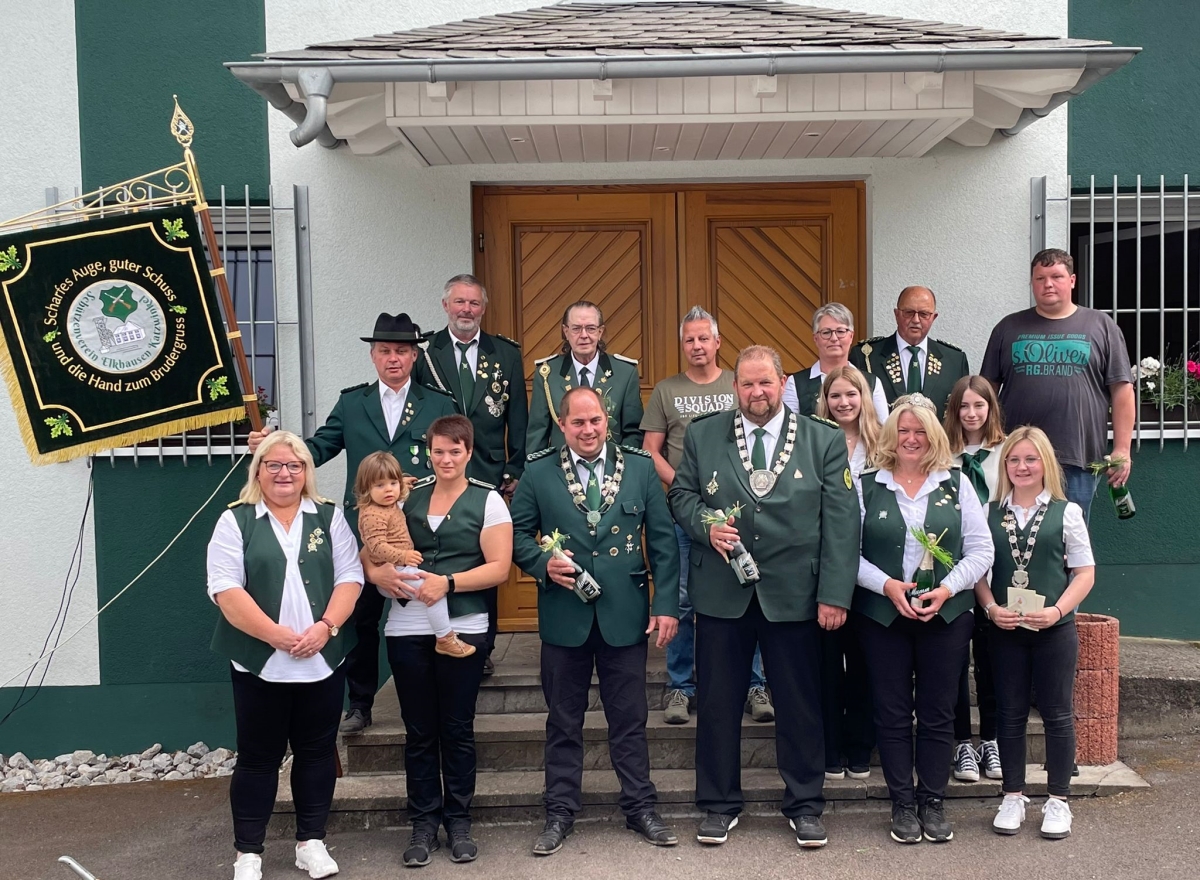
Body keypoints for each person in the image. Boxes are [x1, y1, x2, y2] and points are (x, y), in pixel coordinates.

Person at [669, 345, 860, 850]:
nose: (757, 393)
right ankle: (717, 804)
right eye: (748, 384)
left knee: (799, 705)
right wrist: (706, 526)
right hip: (720, 594)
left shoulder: (822, 440)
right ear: (736, 387)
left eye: (766, 384)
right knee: (717, 704)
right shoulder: (705, 434)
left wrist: (835, 594)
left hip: (796, 595)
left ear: (783, 385)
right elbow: (682, 495)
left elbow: (842, 523)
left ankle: (804, 805)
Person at [249, 312, 457, 736]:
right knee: (359, 620)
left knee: (427, 613)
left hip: (417, 529)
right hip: (361, 533)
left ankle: (434, 698)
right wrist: (275, 447)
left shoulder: (438, 404)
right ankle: (359, 703)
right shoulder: (352, 403)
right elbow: (318, 448)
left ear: (415, 356)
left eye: (401, 351)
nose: (393, 359)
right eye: (384, 351)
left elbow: (451, 457)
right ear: (372, 356)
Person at [511, 387, 680, 856]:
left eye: (595, 421)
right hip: (564, 618)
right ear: (562, 425)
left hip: (624, 616)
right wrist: (541, 564)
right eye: (578, 423)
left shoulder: (641, 468)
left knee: (630, 719)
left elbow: (663, 543)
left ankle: (640, 808)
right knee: (563, 721)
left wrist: (665, 605)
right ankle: (560, 812)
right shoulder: (539, 469)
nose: (588, 430)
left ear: (608, 421)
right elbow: (519, 533)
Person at [206, 431, 364, 880]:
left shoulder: (329, 517)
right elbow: (226, 589)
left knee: (316, 753)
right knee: (258, 757)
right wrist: (275, 635)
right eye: (273, 465)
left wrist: (326, 627)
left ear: (306, 472)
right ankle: (248, 853)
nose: (284, 473)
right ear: (258, 471)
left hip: (321, 656)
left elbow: (350, 577)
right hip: (260, 661)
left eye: (294, 466)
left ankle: (311, 843)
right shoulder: (236, 520)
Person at [361, 415, 513, 866]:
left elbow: (500, 568)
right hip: (407, 626)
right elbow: (371, 550)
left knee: (457, 728)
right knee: (420, 731)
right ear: (428, 451)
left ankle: (459, 820)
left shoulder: (488, 502)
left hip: (463, 624)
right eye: (438, 450)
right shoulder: (405, 496)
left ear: (469, 452)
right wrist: (376, 574)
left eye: (455, 451)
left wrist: (447, 583)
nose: (445, 459)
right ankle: (423, 822)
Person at [853, 395, 993, 845]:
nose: (911, 439)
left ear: (934, 436)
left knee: (937, 712)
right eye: (903, 431)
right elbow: (845, 554)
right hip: (882, 614)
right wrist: (887, 586)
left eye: (920, 432)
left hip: (946, 614)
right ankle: (901, 803)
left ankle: (932, 800)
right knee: (892, 712)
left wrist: (948, 588)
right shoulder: (866, 484)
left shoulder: (957, 484)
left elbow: (982, 550)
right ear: (891, 435)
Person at [641, 306, 773, 726]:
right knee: (680, 601)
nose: (696, 346)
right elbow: (650, 450)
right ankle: (680, 688)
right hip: (685, 516)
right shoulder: (666, 390)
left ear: (718, 342)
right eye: (689, 340)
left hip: (739, 516)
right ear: (682, 346)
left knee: (747, 594)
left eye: (704, 338)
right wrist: (686, 484)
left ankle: (755, 683)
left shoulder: (739, 384)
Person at [975, 426, 1095, 840]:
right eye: (1014, 459)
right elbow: (978, 571)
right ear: (1004, 465)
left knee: (1057, 714)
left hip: (1053, 629)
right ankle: (1012, 795)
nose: (1022, 467)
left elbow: (1084, 573)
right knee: (1008, 713)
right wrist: (990, 609)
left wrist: (1059, 609)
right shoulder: (990, 513)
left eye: (1030, 459)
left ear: (1045, 463)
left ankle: (1058, 800)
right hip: (1006, 629)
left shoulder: (1067, 511)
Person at [415, 274, 528, 672]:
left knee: (486, 559)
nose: (467, 310)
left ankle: (484, 648)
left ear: (483, 308)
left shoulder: (506, 354)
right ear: (445, 305)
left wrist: (515, 466)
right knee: (440, 554)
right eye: (459, 303)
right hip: (442, 473)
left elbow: (519, 417)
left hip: (488, 473)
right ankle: (438, 635)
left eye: (474, 304)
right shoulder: (426, 352)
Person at [981, 249, 1134, 520]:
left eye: (1056, 276)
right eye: (1040, 278)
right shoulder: (1008, 328)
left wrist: (1122, 449)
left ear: (1072, 280)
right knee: (1013, 532)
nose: (1048, 284)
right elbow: (986, 391)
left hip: (1077, 456)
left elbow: (1122, 390)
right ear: (1032, 283)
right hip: (1016, 455)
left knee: (1069, 539)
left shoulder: (1101, 325)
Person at [813, 365, 878, 780]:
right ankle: (829, 747)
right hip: (825, 566)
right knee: (824, 665)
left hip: (872, 568)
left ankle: (860, 748)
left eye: (851, 395)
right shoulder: (813, 441)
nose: (843, 403)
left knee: (865, 664)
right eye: (835, 396)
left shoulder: (882, 443)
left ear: (863, 398)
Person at [944, 376, 1008, 784]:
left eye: (978, 406)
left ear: (990, 409)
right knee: (952, 662)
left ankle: (993, 739)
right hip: (951, 567)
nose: (971, 414)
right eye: (964, 406)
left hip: (995, 567)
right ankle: (962, 743)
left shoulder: (1003, 453)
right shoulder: (943, 452)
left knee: (991, 659)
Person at [355, 450, 475, 659]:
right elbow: (375, 546)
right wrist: (402, 557)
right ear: (366, 489)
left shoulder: (389, 504)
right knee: (433, 592)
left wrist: (403, 484)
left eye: (393, 483)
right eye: (379, 485)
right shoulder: (371, 514)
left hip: (401, 569)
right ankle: (445, 638)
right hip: (395, 572)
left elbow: (398, 500)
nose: (388, 490)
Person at [526, 301, 643, 452]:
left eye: (590, 328)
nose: (584, 335)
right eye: (576, 329)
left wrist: (621, 469)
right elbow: (537, 433)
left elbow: (633, 433)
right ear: (566, 332)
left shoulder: (625, 373)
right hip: (561, 468)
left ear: (600, 332)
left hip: (612, 470)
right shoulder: (547, 374)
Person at [851, 286, 970, 420]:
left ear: (933, 317)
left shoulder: (954, 361)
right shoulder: (866, 357)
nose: (916, 320)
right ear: (896, 314)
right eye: (909, 312)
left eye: (924, 314)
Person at [784, 302, 889, 420]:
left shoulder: (872, 383)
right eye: (826, 332)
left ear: (851, 336)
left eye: (840, 331)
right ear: (815, 338)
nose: (834, 338)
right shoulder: (796, 384)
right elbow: (789, 430)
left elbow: (883, 432)